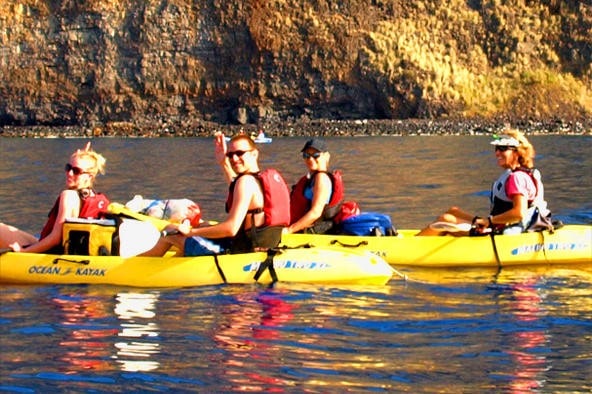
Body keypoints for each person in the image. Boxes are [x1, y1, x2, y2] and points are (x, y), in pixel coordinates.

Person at [144, 133, 290, 256]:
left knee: (171, 231)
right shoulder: (257, 180)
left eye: (239, 153)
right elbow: (236, 187)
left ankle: (135, 266)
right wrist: (223, 163)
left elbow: (231, 228)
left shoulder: (245, 182)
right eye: (230, 154)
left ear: (254, 153)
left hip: (239, 252)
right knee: (204, 225)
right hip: (261, 245)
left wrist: (190, 232)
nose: (234, 158)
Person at [417, 128, 550, 236]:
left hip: (502, 232)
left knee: (446, 220)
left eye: (502, 149)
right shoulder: (522, 173)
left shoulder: (516, 178)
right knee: (454, 211)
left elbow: (519, 213)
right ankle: (425, 236)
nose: (497, 153)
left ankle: (412, 246)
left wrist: (489, 221)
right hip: (500, 225)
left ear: (517, 152)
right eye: (496, 148)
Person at [0, 142, 110, 253]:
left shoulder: (68, 196)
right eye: (68, 167)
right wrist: (83, 158)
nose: (70, 173)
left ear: (90, 176)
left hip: (49, 253)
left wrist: (23, 252)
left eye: (76, 171)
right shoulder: (102, 199)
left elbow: (55, 239)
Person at [285, 138, 344, 234]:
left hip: (313, 232)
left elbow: (316, 212)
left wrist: (289, 230)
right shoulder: (312, 179)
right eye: (306, 155)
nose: (310, 159)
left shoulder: (322, 178)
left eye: (316, 155)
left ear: (326, 156)